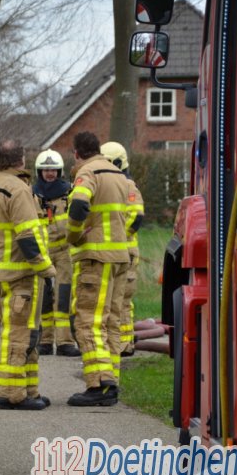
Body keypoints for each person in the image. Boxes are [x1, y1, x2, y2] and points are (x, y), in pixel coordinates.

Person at [0, 139, 56, 411]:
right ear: (22, 160)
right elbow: (28, 237)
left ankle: (29, 390)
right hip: (20, 274)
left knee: (20, 331)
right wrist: (46, 269)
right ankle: (11, 394)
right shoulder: (18, 189)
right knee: (20, 334)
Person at [65, 132, 131, 407]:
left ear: (77, 153)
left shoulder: (87, 172)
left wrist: (74, 234)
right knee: (112, 322)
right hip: (119, 256)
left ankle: (98, 383)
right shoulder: (117, 173)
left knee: (88, 321)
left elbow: (79, 203)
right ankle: (111, 381)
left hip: (96, 258)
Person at [32, 150, 81, 357]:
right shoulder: (32, 194)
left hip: (63, 251)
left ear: (59, 171)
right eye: (45, 170)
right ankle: (44, 341)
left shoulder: (69, 193)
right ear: (39, 172)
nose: (50, 173)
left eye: (53, 169)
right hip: (41, 252)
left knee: (64, 295)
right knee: (42, 297)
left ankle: (64, 342)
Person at [100, 141, 146, 357]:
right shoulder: (108, 185)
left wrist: (119, 235)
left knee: (123, 299)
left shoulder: (129, 186)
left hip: (125, 251)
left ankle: (125, 343)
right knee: (112, 299)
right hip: (112, 251)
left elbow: (136, 217)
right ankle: (119, 342)